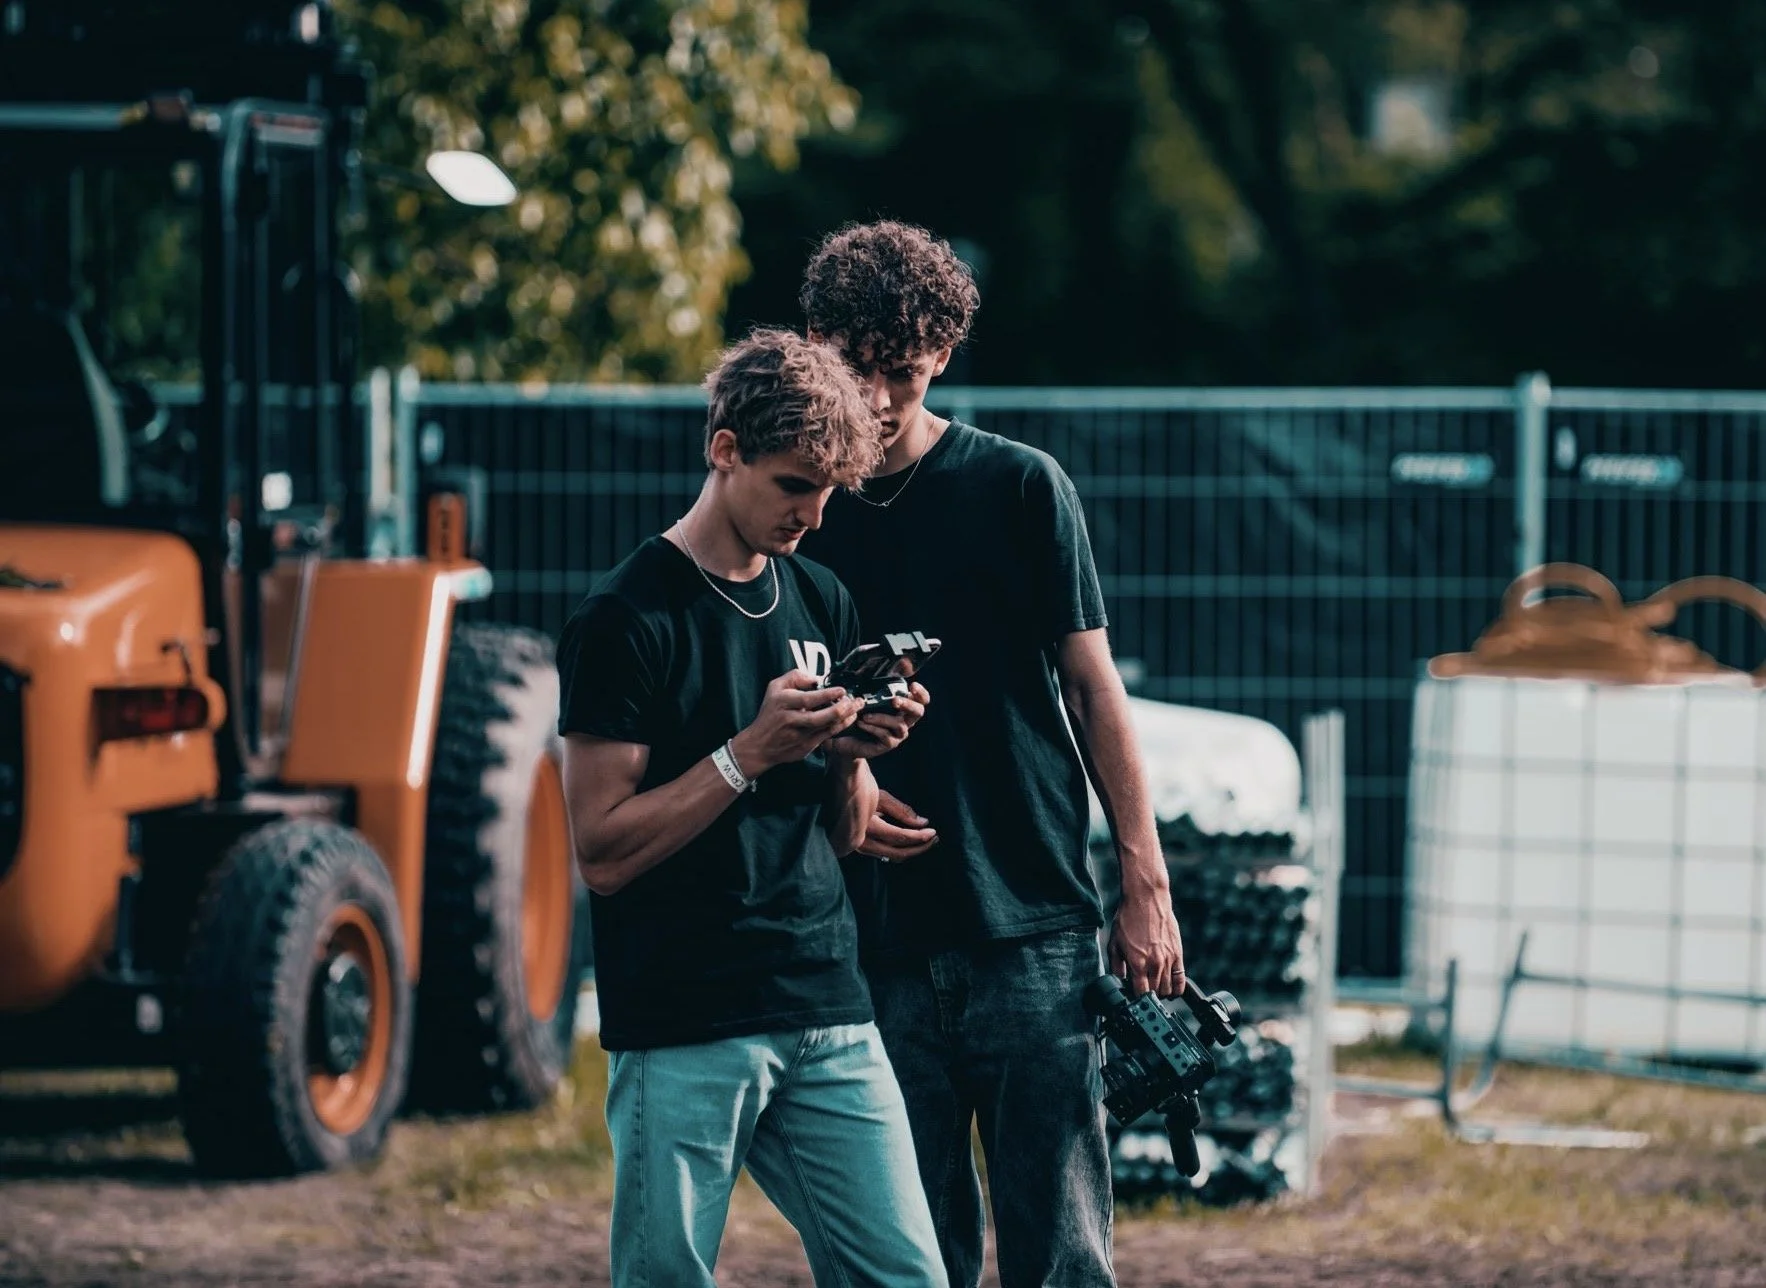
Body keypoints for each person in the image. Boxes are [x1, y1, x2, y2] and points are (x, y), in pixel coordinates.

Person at [797, 221, 1186, 1288]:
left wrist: (1141, 882)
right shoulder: (794, 512)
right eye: (855, 369)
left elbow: (1092, 686)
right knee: (903, 1264)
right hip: (866, 938)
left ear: (943, 360)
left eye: (902, 374)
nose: (876, 398)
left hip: (1032, 929)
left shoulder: (1021, 488)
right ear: (815, 348)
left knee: (1060, 1260)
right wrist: (840, 760)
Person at [555, 327, 948, 1288]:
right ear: (723, 450)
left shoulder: (821, 598)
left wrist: (854, 756)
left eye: (827, 491)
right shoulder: (626, 620)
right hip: (685, 1019)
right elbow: (600, 853)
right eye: (792, 485)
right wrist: (747, 753)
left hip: (826, 1005)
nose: (811, 515)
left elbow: (845, 830)